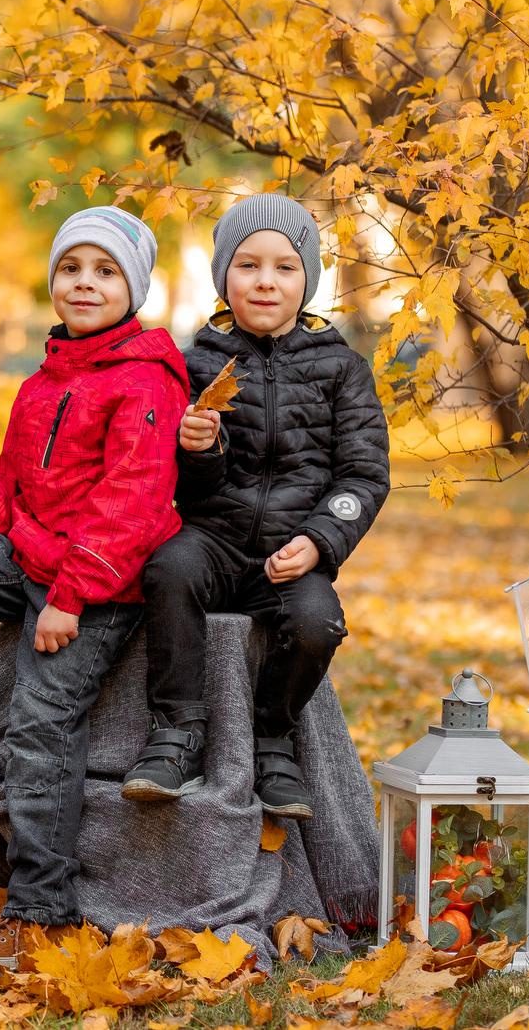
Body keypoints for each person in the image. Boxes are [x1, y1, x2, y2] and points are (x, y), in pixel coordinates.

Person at [0, 207, 190, 968]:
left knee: (43, 722)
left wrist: (71, 599)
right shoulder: (44, 380)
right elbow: (12, 492)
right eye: (72, 268)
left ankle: (42, 911)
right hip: (27, 558)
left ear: (134, 287)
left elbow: (133, 509)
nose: (85, 283)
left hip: (99, 586)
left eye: (105, 271)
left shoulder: (146, 382)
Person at [120, 193, 390, 820]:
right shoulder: (192, 365)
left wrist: (322, 541)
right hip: (212, 536)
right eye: (247, 265)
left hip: (289, 550)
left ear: (308, 279)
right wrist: (199, 450)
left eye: (284, 267)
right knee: (168, 570)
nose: (265, 281)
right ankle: (177, 732)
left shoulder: (341, 370)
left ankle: (273, 742)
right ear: (223, 277)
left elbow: (364, 473)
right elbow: (174, 483)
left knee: (318, 622)